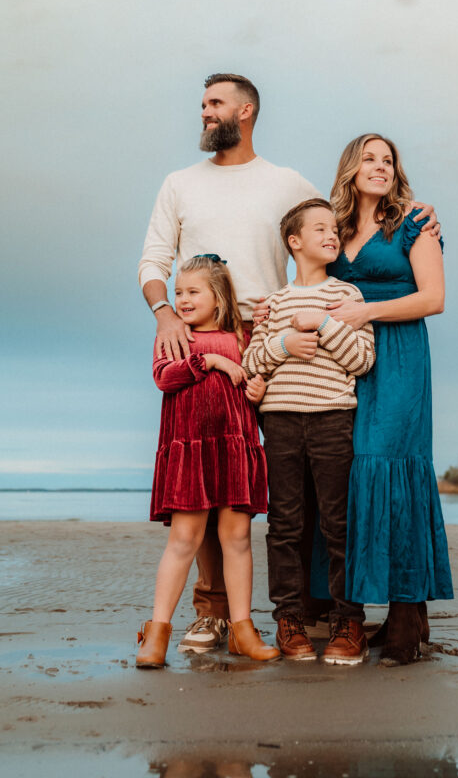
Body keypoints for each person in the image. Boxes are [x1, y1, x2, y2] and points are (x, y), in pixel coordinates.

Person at [139, 72, 439, 651]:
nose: (204, 112)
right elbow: (154, 258)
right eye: (202, 103)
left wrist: (409, 206)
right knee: (209, 469)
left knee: (295, 483)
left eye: (214, 103)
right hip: (204, 333)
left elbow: (343, 220)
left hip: (274, 330)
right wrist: (164, 314)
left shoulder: (286, 184)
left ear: (245, 111)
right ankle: (215, 609)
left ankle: (314, 607)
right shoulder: (179, 183)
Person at [326, 133, 454, 665]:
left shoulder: (414, 223)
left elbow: (434, 298)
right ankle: (378, 610)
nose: (379, 167)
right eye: (369, 159)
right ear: (351, 169)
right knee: (354, 469)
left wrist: (367, 313)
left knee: (392, 465)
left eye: (388, 160)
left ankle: (406, 612)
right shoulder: (331, 228)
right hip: (345, 359)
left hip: (399, 357)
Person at [242, 199, 375, 664]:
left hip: (333, 418)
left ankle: (348, 621)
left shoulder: (347, 296)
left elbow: (362, 359)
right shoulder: (273, 304)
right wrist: (283, 342)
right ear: (294, 242)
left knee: (338, 523)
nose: (332, 234)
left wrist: (325, 324)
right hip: (279, 422)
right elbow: (251, 364)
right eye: (319, 228)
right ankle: (289, 619)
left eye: (334, 228)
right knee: (286, 526)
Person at [136, 254, 279, 667]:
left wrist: (257, 390)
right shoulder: (174, 335)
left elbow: (256, 380)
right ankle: (157, 633)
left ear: (218, 297)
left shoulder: (241, 336)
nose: (182, 299)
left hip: (235, 448)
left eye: (192, 291)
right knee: (184, 540)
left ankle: (242, 630)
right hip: (191, 452)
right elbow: (165, 376)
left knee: (236, 540)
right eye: (178, 292)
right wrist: (210, 361)